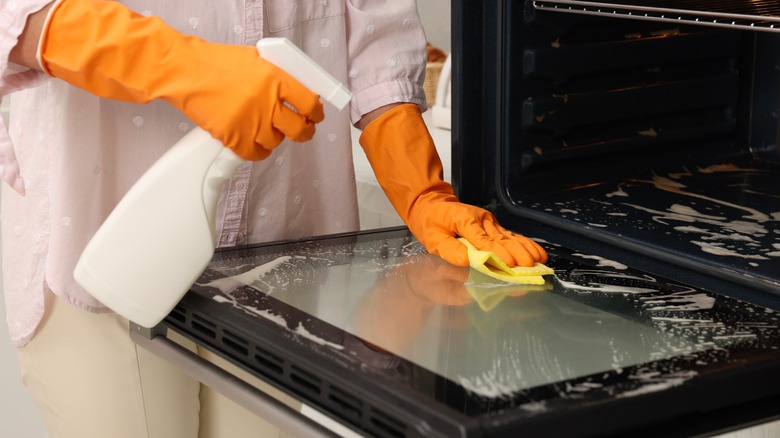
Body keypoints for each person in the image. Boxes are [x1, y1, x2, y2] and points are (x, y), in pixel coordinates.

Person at [1, 0, 548, 436]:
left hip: (278, 273)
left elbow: (378, 43)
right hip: (102, 245)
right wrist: (183, 66)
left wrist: (423, 193)